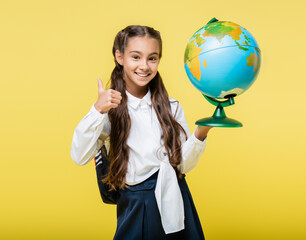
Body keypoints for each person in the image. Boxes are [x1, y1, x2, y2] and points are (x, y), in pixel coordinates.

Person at [70, 25, 212, 240]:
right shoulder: (109, 110)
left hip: (177, 195)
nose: (144, 66)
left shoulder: (172, 106)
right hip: (138, 203)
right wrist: (97, 110)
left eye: (152, 58)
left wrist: (200, 134)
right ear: (119, 57)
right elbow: (79, 156)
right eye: (136, 57)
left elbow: (183, 165)